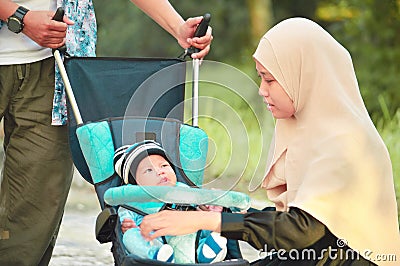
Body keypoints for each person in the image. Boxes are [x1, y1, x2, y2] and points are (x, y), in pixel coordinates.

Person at [139, 17, 400, 265]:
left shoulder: (344, 142)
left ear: (302, 76)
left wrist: (206, 222)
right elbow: (298, 223)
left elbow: (301, 231)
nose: (262, 90)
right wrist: (226, 214)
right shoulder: (312, 131)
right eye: (261, 77)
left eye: (270, 79)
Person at [0, 0, 213, 265]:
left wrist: (177, 26)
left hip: (57, 64)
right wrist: (18, 15)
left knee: (31, 218)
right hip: (31, 40)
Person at [113, 140, 227, 263]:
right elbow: (126, 220)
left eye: (164, 166)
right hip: (155, 242)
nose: (160, 171)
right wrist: (128, 226)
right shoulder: (133, 201)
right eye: (149, 170)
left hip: (191, 237)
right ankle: (156, 255)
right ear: (136, 183)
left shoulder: (184, 190)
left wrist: (210, 209)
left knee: (211, 226)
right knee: (130, 237)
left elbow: (200, 210)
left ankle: (207, 253)